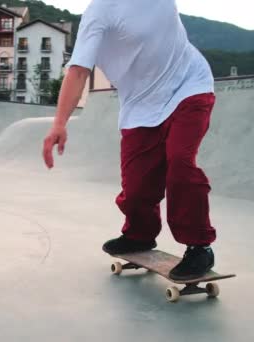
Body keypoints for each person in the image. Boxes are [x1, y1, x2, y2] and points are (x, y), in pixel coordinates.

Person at [42, 0, 217, 281]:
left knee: (180, 164)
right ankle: (139, 235)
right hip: (140, 105)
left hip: (190, 87)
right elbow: (78, 70)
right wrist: (59, 123)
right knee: (136, 188)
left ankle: (199, 246)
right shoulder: (100, 12)